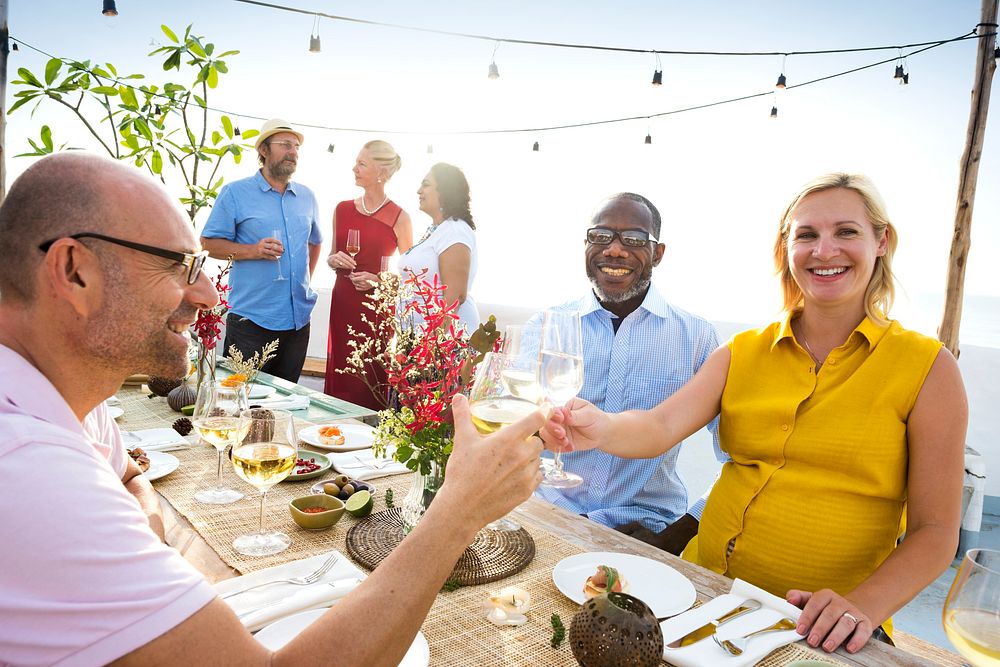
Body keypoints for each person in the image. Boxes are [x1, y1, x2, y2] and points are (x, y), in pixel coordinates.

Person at [0, 153, 547, 666]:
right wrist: (458, 512)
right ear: (74, 271)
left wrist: (138, 528)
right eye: (176, 267)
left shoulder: (70, 395)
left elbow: (128, 477)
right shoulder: (30, 471)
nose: (208, 297)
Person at [543, 173, 967, 654]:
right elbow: (659, 427)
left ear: (881, 242)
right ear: (786, 248)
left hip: (820, 623)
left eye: (846, 232)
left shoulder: (929, 370)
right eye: (806, 235)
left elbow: (935, 533)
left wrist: (862, 605)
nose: (824, 250)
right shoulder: (742, 351)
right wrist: (601, 427)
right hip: (698, 590)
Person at [529, 193, 721, 554]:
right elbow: (517, 428)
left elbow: (736, 459)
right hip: (548, 516)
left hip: (647, 529)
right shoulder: (546, 327)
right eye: (601, 236)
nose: (615, 250)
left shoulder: (697, 338)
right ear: (585, 244)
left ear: (658, 253)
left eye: (633, 239)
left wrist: (677, 535)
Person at [201, 118, 323, 382]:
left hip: (297, 321)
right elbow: (208, 244)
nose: (293, 152)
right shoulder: (235, 192)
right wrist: (253, 250)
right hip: (251, 321)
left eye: (296, 147)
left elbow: (315, 241)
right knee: (237, 401)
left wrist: (305, 281)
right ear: (264, 151)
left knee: (284, 405)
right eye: (285, 145)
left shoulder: (307, 196)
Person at [325, 140, 413, 408]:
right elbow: (331, 256)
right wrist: (333, 259)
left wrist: (377, 281)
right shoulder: (342, 208)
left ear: (381, 173)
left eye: (362, 164)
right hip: (342, 304)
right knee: (340, 374)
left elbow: (411, 279)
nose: (354, 168)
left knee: (369, 379)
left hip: (375, 311)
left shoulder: (400, 217)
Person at [398, 162, 479, 333]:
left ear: (445, 191)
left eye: (426, 185)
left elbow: (455, 298)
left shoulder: (455, 231)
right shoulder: (438, 230)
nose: (419, 191)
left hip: (443, 340)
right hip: (417, 336)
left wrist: (431, 348)